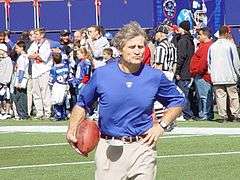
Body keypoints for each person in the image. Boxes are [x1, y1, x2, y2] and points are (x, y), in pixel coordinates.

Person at [66, 21, 185, 180]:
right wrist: (72, 130)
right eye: (132, 47)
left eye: (141, 47)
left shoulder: (154, 76)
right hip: (110, 149)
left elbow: (177, 101)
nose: (138, 51)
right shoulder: (102, 74)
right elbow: (82, 104)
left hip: (143, 148)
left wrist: (161, 126)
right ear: (120, 49)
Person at [208, 26, 240, 122]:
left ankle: (223, 116)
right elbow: (236, 61)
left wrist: (212, 73)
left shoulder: (212, 46)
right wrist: (238, 73)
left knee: (220, 96)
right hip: (230, 75)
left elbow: (209, 62)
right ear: (226, 33)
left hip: (217, 76)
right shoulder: (230, 45)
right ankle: (236, 115)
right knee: (233, 96)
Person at [190, 27, 214, 120]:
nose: (198, 36)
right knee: (202, 97)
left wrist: (197, 71)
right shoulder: (203, 45)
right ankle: (204, 114)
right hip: (200, 74)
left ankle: (205, 114)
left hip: (202, 75)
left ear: (205, 35)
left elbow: (204, 62)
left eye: (200, 34)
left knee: (204, 97)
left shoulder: (207, 46)